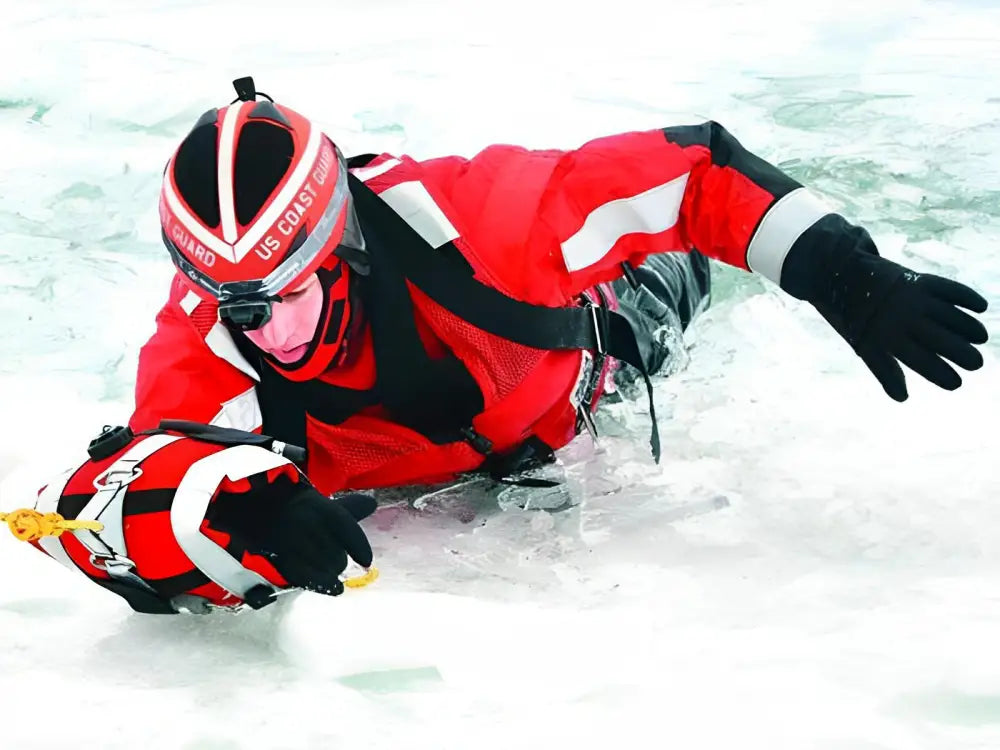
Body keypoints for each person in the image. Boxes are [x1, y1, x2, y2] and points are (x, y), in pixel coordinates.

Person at [8, 76, 989, 615]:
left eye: (283, 295)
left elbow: (693, 174)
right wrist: (235, 514)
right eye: (235, 304)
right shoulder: (208, 339)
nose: (263, 332)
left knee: (676, 274)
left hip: (597, 358)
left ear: (337, 252)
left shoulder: (490, 220)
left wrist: (843, 273)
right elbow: (114, 504)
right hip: (424, 477)